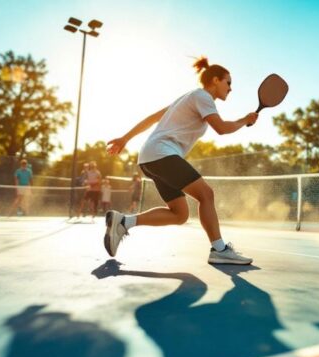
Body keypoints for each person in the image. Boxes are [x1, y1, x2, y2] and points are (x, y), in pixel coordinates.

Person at [104, 56, 258, 264]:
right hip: (162, 154)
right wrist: (244, 120)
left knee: (179, 214)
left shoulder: (188, 98)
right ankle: (219, 249)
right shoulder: (203, 96)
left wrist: (125, 138)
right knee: (206, 194)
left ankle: (123, 221)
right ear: (214, 80)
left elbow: (152, 118)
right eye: (228, 82)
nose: (230, 88)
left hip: (150, 158)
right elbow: (221, 128)